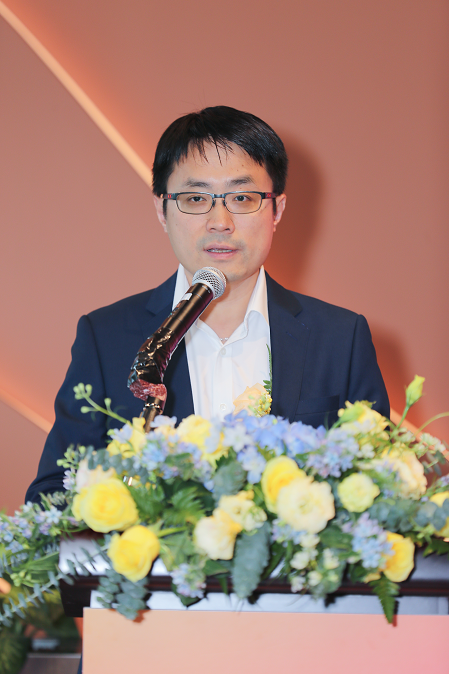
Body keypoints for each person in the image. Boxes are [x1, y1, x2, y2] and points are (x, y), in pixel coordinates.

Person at [26, 105, 389, 503]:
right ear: (162, 210)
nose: (220, 221)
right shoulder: (106, 338)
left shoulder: (339, 339)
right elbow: (53, 495)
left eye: (242, 197)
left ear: (277, 209)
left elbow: (383, 491)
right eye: (196, 198)